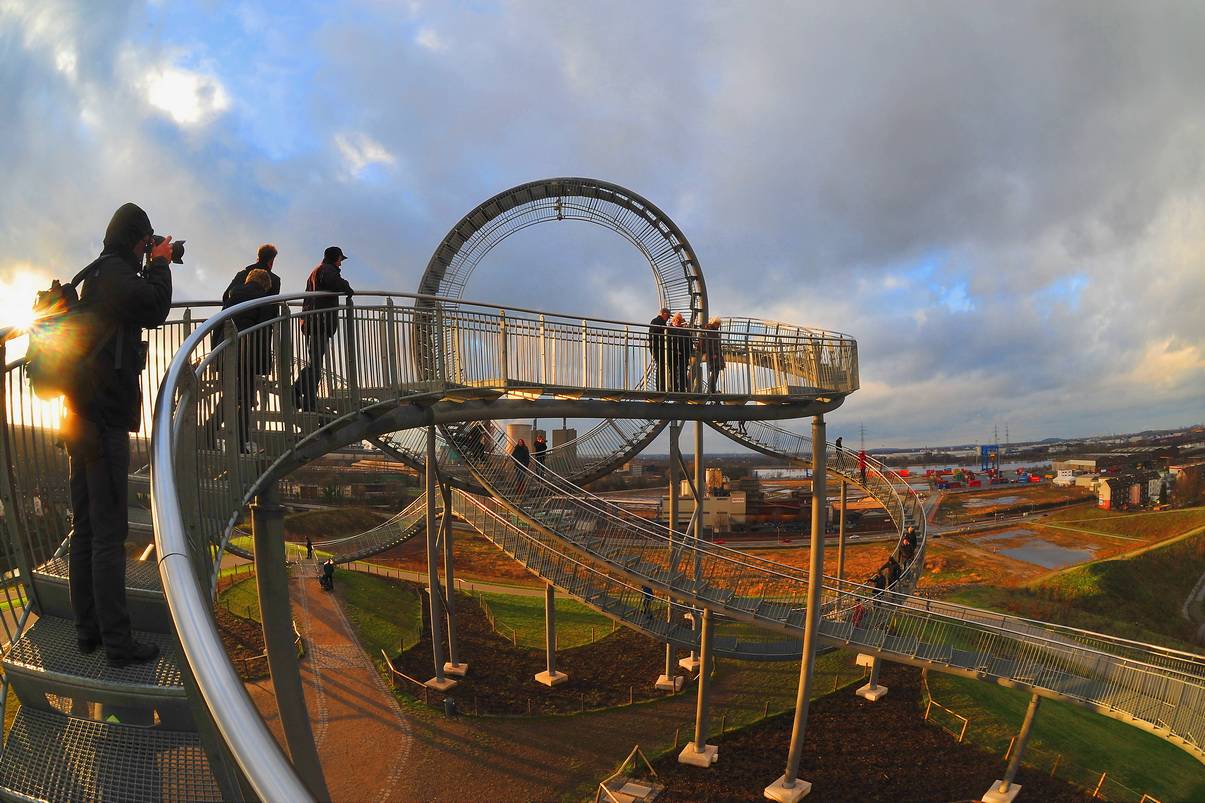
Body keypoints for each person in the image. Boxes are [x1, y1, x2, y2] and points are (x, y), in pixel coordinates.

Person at [65, 202, 173, 666]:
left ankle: (88, 631)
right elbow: (155, 308)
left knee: (87, 529)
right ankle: (117, 643)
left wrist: (151, 261)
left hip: (79, 416)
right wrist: (161, 264)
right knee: (109, 535)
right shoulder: (116, 276)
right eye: (147, 241)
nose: (149, 248)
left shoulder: (98, 273)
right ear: (137, 240)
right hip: (104, 421)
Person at [204, 269, 275, 452]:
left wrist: (216, 354)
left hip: (226, 350)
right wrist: (264, 363)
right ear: (265, 284)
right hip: (247, 355)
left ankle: (209, 434)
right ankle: (239, 442)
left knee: (231, 395)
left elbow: (218, 325)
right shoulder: (265, 300)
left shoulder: (232, 296)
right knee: (246, 398)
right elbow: (264, 333)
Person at [293, 246, 353, 412]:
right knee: (315, 365)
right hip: (320, 322)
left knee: (316, 364)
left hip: (313, 321)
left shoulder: (317, 271)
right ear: (336, 258)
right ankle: (297, 391)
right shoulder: (328, 270)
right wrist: (347, 287)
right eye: (340, 260)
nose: (341, 264)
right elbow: (336, 283)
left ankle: (308, 401)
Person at [647, 307, 671, 391]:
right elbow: (655, 334)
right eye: (668, 316)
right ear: (664, 314)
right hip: (659, 348)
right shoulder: (658, 321)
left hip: (658, 348)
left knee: (662, 367)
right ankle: (660, 387)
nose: (668, 318)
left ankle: (661, 387)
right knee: (661, 367)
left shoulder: (656, 321)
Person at [699, 318, 725, 393]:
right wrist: (712, 353)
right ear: (714, 323)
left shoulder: (712, 330)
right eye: (718, 324)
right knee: (715, 370)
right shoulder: (710, 330)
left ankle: (711, 389)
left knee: (715, 370)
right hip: (713, 353)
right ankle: (711, 389)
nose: (719, 325)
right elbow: (709, 343)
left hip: (715, 353)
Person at [669, 312, 692, 392]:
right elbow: (669, 342)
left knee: (683, 371)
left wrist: (688, 353)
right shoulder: (669, 330)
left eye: (679, 320)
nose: (678, 321)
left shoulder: (685, 331)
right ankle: (674, 388)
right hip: (673, 353)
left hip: (683, 354)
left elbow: (690, 343)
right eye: (677, 320)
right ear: (674, 320)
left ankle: (682, 388)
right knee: (673, 371)